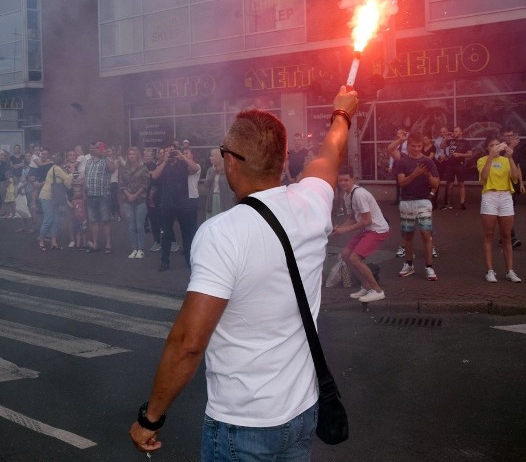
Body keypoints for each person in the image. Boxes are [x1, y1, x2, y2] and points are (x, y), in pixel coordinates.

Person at [129, 86, 357, 458]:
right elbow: (330, 153)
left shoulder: (221, 234)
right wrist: (341, 114)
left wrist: (149, 418)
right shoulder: (313, 203)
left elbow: (188, 343)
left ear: (232, 161)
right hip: (303, 412)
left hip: (243, 424)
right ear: (283, 160)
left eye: (221, 154)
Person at [331, 167, 390, 302]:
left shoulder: (359, 194)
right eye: (340, 180)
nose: (343, 183)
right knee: (345, 255)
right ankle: (366, 287)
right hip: (367, 230)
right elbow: (352, 218)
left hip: (377, 229)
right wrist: (339, 228)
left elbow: (367, 220)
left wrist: (344, 231)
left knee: (355, 258)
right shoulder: (347, 195)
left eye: (346, 180)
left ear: (353, 179)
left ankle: (377, 291)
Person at [394, 132, 440, 281]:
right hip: (406, 201)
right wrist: (415, 174)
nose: (416, 149)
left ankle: (429, 267)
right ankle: (408, 264)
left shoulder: (428, 161)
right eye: (413, 146)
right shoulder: (403, 161)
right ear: (409, 145)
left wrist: (426, 175)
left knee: (426, 234)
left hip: (423, 202)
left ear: (423, 145)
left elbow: (436, 184)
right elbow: (402, 183)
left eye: (419, 146)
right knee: (408, 235)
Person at [476, 136, 523, 283]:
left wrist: (510, 158)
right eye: (492, 145)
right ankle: (490, 271)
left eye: (497, 144)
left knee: (507, 236)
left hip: (506, 196)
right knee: (489, 234)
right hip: (490, 195)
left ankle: (510, 270)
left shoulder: (505, 160)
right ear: (487, 148)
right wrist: (490, 157)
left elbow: (515, 178)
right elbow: (483, 177)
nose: (495, 147)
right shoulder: (482, 160)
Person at [150, 144, 199, 270]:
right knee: (166, 234)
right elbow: (154, 176)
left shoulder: (183, 164)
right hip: (167, 204)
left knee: (186, 234)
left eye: (172, 151)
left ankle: (189, 260)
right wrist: (165, 161)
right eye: (167, 152)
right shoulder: (163, 165)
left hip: (183, 204)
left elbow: (195, 168)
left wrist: (182, 156)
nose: (170, 154)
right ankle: (165, 261)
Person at [84, 141, 116, 253]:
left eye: (96, 148)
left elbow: (112, 169)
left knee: (106, 220)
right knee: (93, 220)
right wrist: (84, 191)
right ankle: (95, 244)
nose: (93, 149)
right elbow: (86, 176)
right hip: (91, 195)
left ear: (101, 149)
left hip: (103, 195)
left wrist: (105, 156)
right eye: (92, 148)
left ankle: (108, 245)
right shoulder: (88, 162)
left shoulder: (106, 160)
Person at [119, 147, 150, 259]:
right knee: (131, 226)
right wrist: (128, 195)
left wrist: (135, 195)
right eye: (129, 154)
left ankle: (141, 249)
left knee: (140, 226)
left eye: (133, 154)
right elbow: (121, 184)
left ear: (137, 155)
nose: (131, 156)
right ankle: (134, 248)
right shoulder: (124, 169)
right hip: (128, 201)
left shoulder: (143, 168)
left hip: (140, 200)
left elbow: (145, 184)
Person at [36, 153, 72, 250]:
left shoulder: (57, 168)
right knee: (48, 220)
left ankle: (53, 242)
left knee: (55, 220)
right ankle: (41, 241)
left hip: (54, 198)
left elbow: (66, 183)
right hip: (47, 196)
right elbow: (68, 180)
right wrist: (72, 172)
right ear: (63, 161)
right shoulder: (57, 169)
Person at [442, 126, 471, 210]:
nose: (454, 133)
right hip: (450, 164)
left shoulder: (465, 142)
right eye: (454, 131)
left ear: (461, 132)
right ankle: (448, 204)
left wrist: (460, 155)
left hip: (460, 164)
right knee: (449, 184)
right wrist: (446, 137)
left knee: (461, 183)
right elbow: (442, 146)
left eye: (456, 131)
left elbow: (470, 154)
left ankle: (462, 203)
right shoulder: (451, 140)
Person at [203, 147, 235, 218]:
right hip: (212, 199)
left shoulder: (227, 170)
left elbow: (232, 186)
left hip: (224, 199)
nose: (209, 158)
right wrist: (213, 172)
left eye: (212, 156)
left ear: (217, 157)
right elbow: (206, 184)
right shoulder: (210, 170)